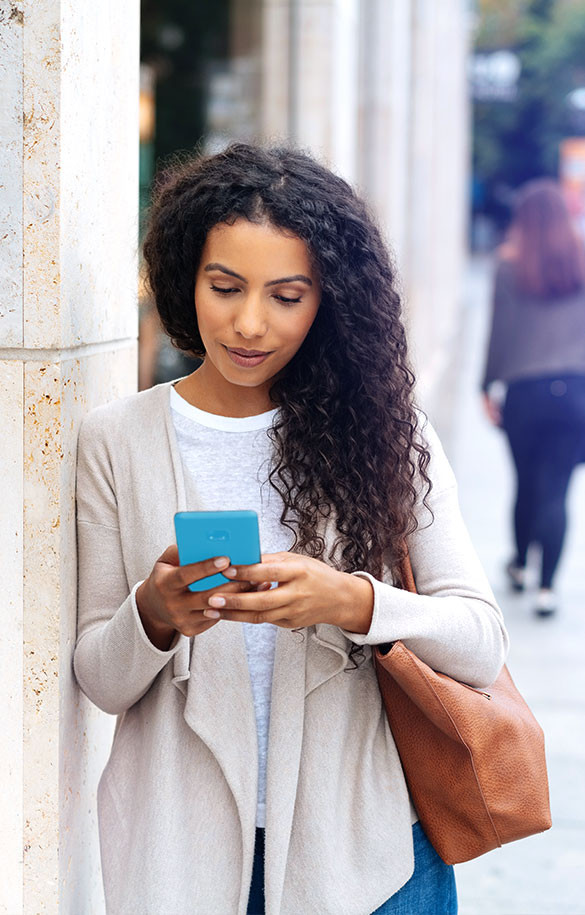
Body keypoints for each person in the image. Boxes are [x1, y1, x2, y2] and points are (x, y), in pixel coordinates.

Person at [74, 142, 509, 915]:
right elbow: (101, 682)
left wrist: (351, 602)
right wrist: (154, 613)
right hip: (182, 862)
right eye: (224, 286)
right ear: (185, 280)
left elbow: (479, 643)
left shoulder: (385, 429)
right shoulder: (116, 439)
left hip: (371, 857)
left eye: (286, 295)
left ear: (327, 300)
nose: (248, 323)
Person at [481, 178, 585, 619]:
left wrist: (485, 387)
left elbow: (499, 334)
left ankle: (522, 565)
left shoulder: (508, 265)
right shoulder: (581, 260)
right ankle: (547, 589)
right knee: (556, 490)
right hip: (575, 393)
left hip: (524, 393)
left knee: (525, 482)